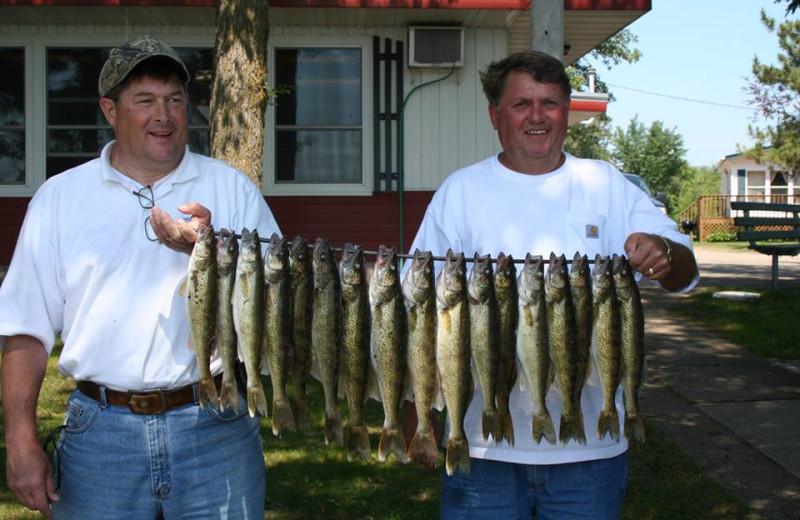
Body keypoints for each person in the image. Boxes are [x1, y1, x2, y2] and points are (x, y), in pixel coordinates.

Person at [405, 50, 699, 520]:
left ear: (567, 111)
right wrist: (413, 407)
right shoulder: (460, 191)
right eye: (522, 104)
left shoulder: (604, 182)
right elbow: (415, 313)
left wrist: (665, 254)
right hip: (483, 452)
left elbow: (685, 271)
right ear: (494, 115)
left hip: (591, 452)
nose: (537, 116)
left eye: (551, 103)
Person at [0, 35, 280, 519]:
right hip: (99, 436)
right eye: (145, 101)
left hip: (214, 424)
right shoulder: (60, 198)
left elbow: (278, 302)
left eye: (174, 100)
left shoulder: (232, 189)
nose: (164, 116)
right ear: (110, 110)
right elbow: (25, 327)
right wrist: (20, 437)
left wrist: (215, 251)